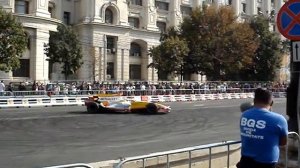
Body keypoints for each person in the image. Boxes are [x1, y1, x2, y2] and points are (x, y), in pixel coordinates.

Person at [237, 88, 288, 168]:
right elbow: (283, 142)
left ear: (254, 100)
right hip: (267, 162)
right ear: (271, 102)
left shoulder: (244, 115)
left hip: (245, 160)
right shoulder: (279, 119)